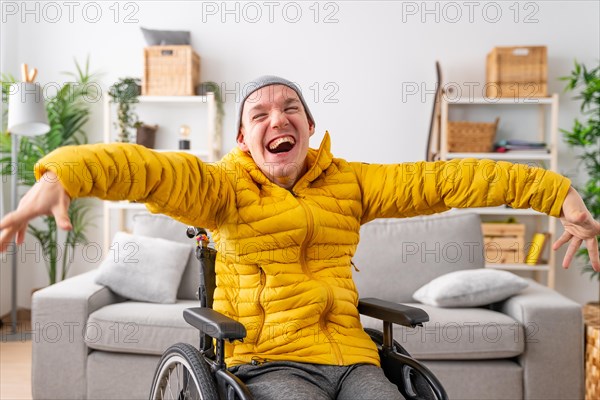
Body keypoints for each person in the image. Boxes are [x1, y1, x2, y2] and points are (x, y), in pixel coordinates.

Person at [1, 75, 599, 400]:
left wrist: (556, 194)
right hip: (266, 362)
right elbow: (143, 167)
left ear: (310, 128)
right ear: (242, 140)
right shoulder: (221, 189)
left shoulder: (352, 183)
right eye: (258, 114)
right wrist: (64, 173)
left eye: (290, 109)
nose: (276, 119)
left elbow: (448, 179)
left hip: (353, 357)